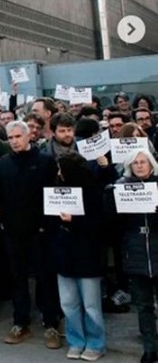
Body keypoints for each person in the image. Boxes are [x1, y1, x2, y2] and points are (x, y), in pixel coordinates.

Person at [0, 121, 60, 347]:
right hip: (13, 233)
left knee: (45, 278)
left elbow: (53, 195)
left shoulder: (45, 162)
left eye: (17, 136)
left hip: (40, 233)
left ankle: (51, 323)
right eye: (10, 137)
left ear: (28, 136)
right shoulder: (3, 163)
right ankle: (20, 323)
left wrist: (46, 225)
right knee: (17, 278)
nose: (14, 141)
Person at [53, 153, 107, 361]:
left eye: (61, 169)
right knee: (68, 303)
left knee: (91, 305)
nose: (58, 173)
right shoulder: (58, 190)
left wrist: (73, 220)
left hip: (88, 255)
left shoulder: (92, 193)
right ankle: (76, 341)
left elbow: (99, 225)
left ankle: (96, 343)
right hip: (65, 254)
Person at [106, 149, 158, 363]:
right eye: (135, 163)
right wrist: (111, 199)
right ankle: (150, 349)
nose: (139, 165)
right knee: (144, 306)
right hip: (134, 253)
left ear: (151, 164)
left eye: (143, 162)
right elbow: (113, 226)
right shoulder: (121, 188)